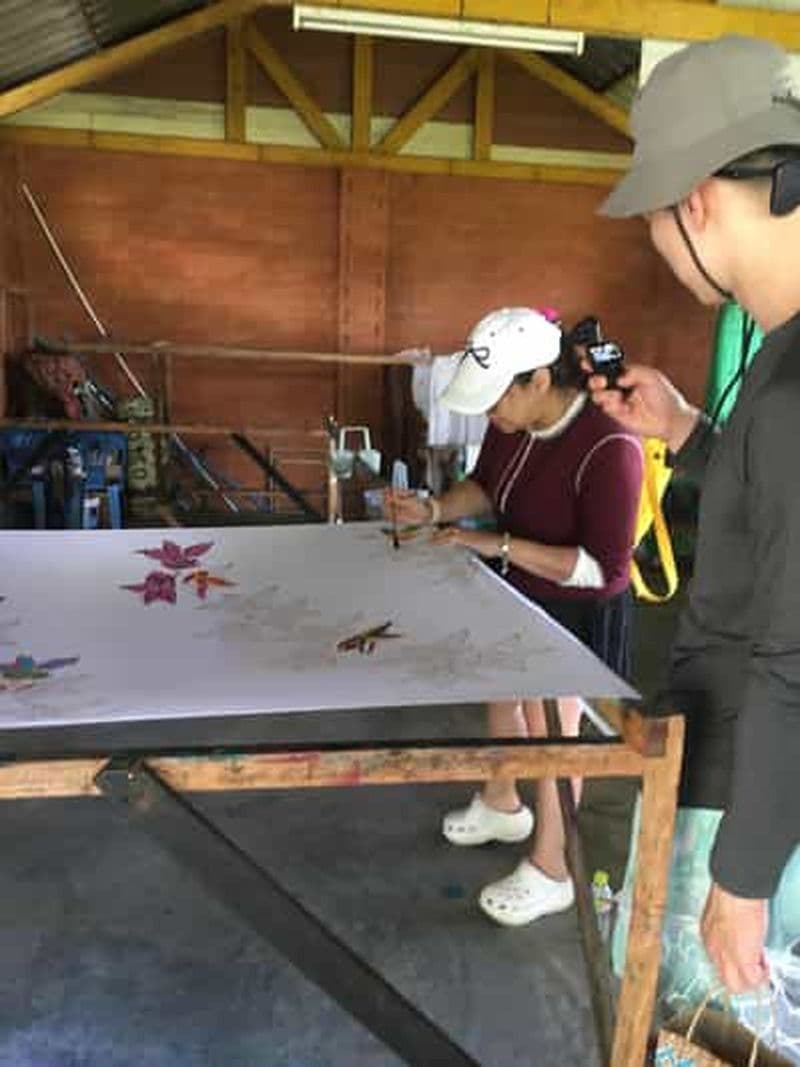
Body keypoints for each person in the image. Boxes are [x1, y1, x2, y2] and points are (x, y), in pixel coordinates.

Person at [589, 34, 800, 994]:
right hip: (742, 772)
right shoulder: (776, 353)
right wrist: (685, 426)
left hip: (752, 804)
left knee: (714, 1032)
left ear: (697, 203)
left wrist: (743, 878)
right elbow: (772, 523)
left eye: (652, 222)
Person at [386, 307, 643, 926]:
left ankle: (554, 868)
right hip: (522, 586)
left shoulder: (610, 446)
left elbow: (601, 571)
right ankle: (503, 801)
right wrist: (434, 511)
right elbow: (488, 486)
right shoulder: (513, 424)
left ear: (537, 381)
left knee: (559, 732)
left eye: (496, 399)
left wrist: (493, 545)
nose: (489, 416)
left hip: (579, 608)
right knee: (504, 694)